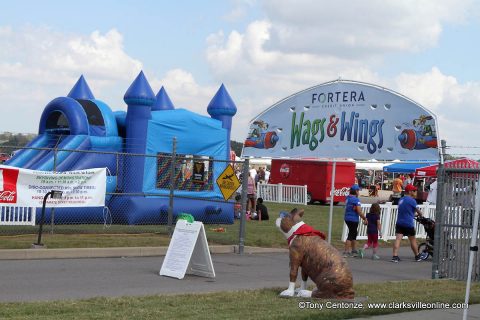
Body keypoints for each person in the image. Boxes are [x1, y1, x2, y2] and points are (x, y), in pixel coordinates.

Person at [391, 184, 426, 262]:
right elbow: (418, 211)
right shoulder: (412, 200)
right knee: (412, 240)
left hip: (400, 222)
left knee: (398, 239)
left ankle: (395, 256)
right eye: (414, 191)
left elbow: (406, 211)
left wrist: (413, 214)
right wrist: (420, 215)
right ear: (410, 191)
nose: (415, 192)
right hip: (408, 223)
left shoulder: (401, 199)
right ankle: (417, 256)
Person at [343, 184, 368, 257]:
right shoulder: (356, 200)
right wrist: (364, 218)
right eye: (358, 191)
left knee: (354, 233)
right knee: (351, 234)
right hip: (353, 219)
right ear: (356, 191)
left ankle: (354, 250)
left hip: (347, 218)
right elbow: (359, 211)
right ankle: (346, 252)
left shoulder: (348, 198)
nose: (359, 192)